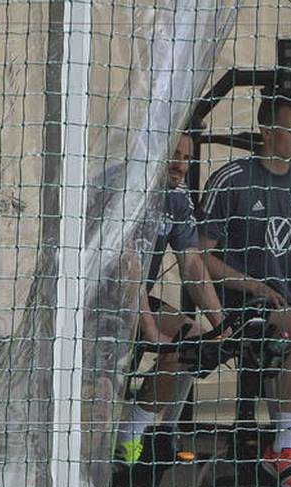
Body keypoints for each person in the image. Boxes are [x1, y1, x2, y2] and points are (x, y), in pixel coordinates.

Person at [197, 96, 291, 487]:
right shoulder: (232, 179)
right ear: (266, 131)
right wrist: (253, 284)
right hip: (245, 309)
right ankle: (284, 447)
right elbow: (199, 258)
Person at [115, 133, 226, 465]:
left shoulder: (177, 195)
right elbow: (126, 265)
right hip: (93, 302)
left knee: (191, 341)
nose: (180, 164)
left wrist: (222, 326)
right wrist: (150, 330)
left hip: (136, 298)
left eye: (187, 158)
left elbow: (192, 263)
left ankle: (132, 435)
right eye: (174, 154)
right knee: (100, 385)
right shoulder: (127, 189)